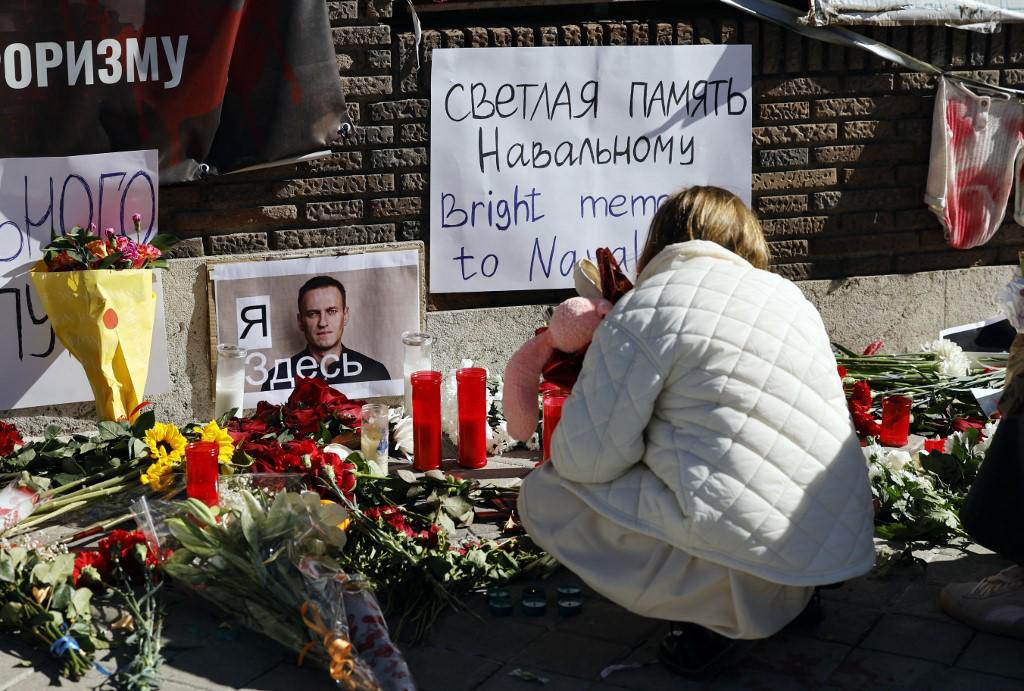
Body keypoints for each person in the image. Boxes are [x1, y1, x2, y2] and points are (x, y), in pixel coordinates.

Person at [517, 186, 876, 678]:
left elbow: (586, 461)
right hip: (832, 538)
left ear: (659, 241)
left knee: (547, 492)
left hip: (745, 538)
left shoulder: (646, 306)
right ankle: (792, 593)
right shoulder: (790, 297)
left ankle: (708, 618)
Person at [262, 275, 390, 392]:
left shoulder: (375, 373)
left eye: (332, 311)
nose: (323, 323)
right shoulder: (277, 379)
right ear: (300, 321)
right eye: (313, 314)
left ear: (345, 316)